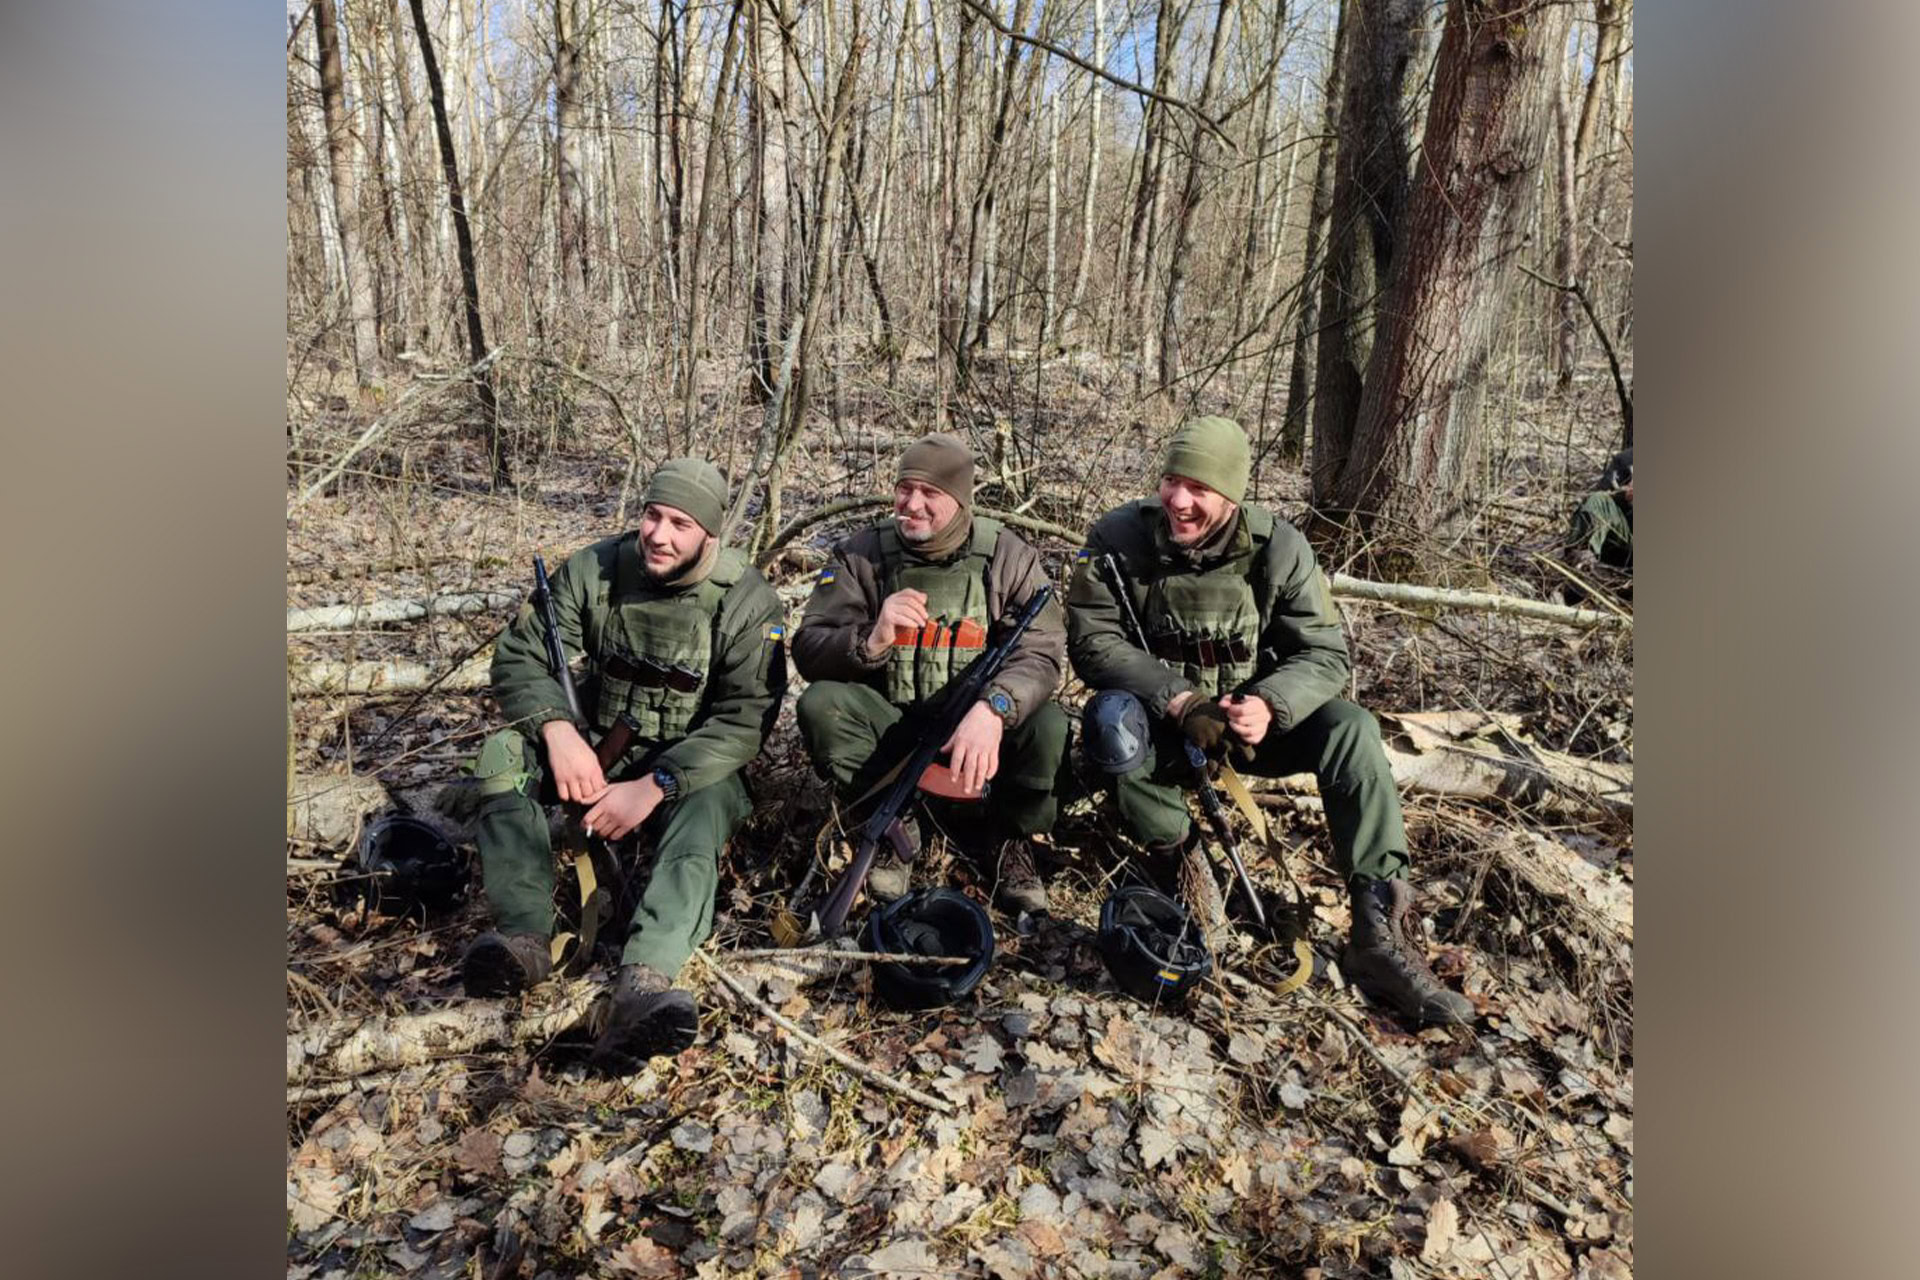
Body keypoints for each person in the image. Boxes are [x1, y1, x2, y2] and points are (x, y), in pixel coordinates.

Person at [1065, 416, 1475, 1026]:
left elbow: (1325, 652)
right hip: (1161, 730)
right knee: (1107, 721)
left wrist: (1271, 704)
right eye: (1171, 481)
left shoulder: (1280, 548)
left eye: (1198, 489)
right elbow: (1093, 641)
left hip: (1249, 730)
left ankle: (1377, 931)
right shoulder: (1119, 538)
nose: (1178, 500)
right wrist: (1179, 700)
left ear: (1232, 495)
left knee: (1351, 730)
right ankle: (1179, 867)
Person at [463, 459, 788, 1071]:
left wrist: (656, 784)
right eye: (652, 515)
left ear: (711, 537)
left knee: (709, 805)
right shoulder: (598, 569)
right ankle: (524, 940)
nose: (659, 535)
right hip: (594, 745)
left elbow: (746, 721)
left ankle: (646, 980)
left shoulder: (748, 602)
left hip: (688, 770)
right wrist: (557, 730)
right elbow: (520, 654)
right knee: (503, 754)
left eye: (680, 524)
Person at [791, 432, 1068, 913]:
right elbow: (809, 649)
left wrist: (995, 707)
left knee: (1049, 725)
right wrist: (871, 638)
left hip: (974, 731)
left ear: (960, 502)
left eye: (930, 494)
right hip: (893, 729)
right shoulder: (861, 555)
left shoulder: (1007, 556)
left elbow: (1042, 651)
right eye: (904, 488)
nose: (911, 505)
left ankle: (1008, 839)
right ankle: (897, 821)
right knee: (821, 707)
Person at [1562, 447, 1632, 601]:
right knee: (1597, 500)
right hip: (1626, 539)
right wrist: (1624, 496)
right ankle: (1580, 571)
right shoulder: (1626, 461)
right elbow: (1600, 500)